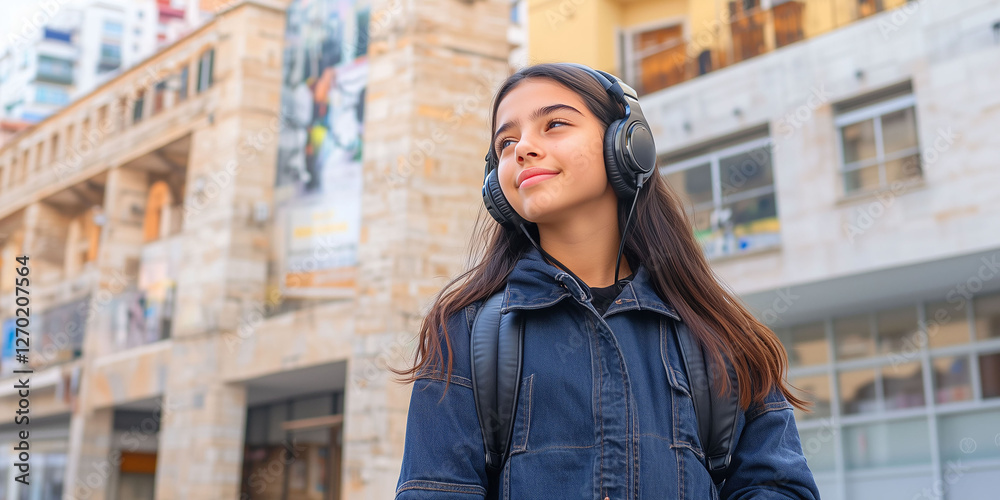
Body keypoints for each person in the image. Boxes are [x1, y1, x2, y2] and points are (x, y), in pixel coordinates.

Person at [392, 62, 820, 499]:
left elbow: (779, 488)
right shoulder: (463, 334)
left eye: (554, 124)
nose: (522, 149)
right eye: (506, 142)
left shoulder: (717, 333)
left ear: (628, 145)